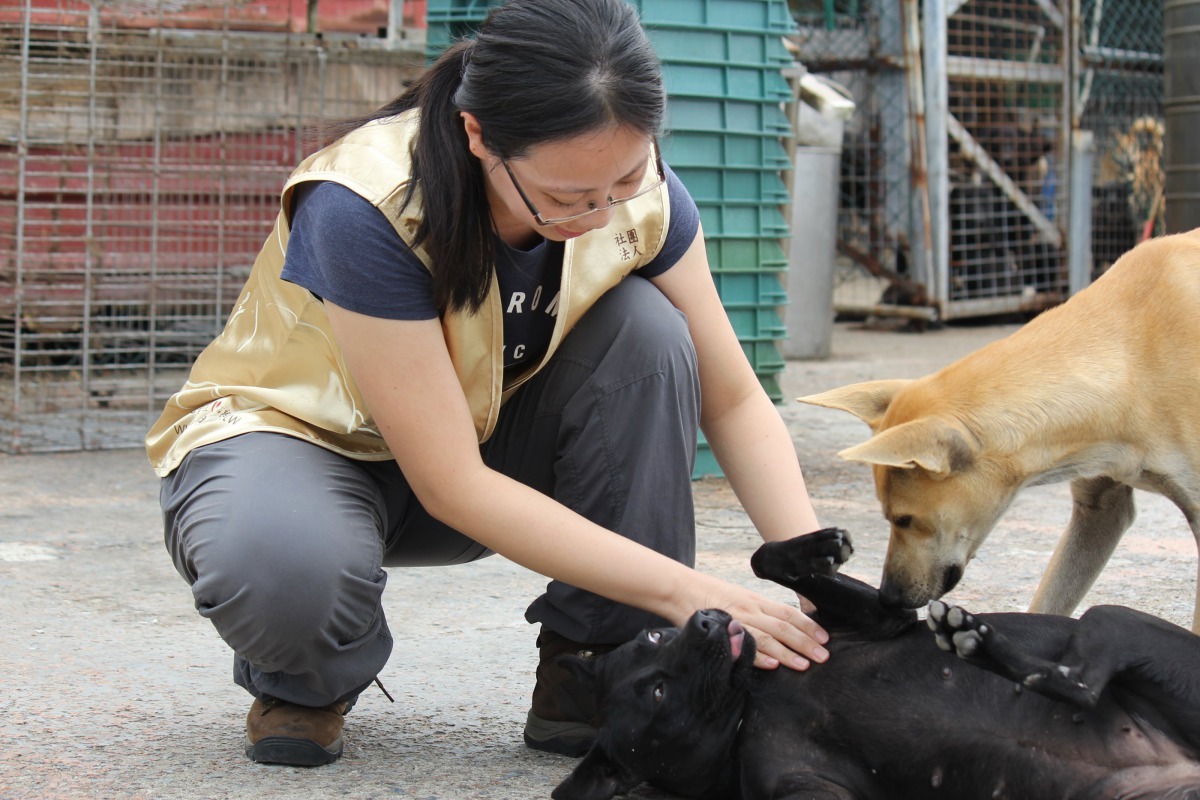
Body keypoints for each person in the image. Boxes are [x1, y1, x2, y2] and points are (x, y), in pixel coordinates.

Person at [146, 0, 828, 768]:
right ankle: (306, 678)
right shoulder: (366, 203)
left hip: (476, 443)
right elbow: (453, 487)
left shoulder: (641, 196)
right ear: (479, 136)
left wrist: (815, 578)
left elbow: (732, 398)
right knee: (284, 565)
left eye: (626, 177)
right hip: (310, 441)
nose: (602, 213)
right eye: (568, 196)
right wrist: (687, 594)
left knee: (651, 333)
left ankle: (597, 660)